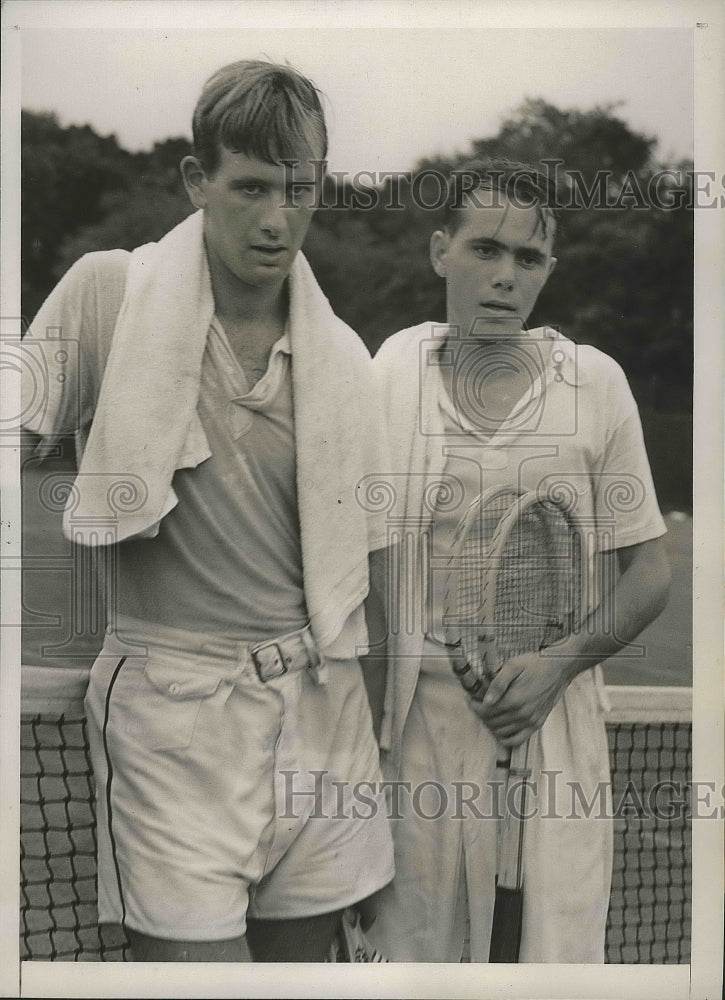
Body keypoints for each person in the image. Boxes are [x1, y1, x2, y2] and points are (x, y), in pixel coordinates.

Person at [20, 60, 394, 962]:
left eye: (298, 190)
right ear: (198, 182)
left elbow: (364, 582)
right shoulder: (110, 292)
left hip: (321, 713)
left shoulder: (343, 356)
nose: (276, 219)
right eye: (252, 188)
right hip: (171, 714)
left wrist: (365, 768)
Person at [367, 159, 670, 962]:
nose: (504, 277)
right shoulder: (386, 378)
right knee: (414, 970)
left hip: (552, 723)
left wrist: (552, 670)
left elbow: (649, 572)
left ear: (548, 272)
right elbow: (347, 575)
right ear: (441, 251)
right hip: (417, 737)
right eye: (484, 250)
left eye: (527, 259)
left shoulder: (595, 384)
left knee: (541, 964)